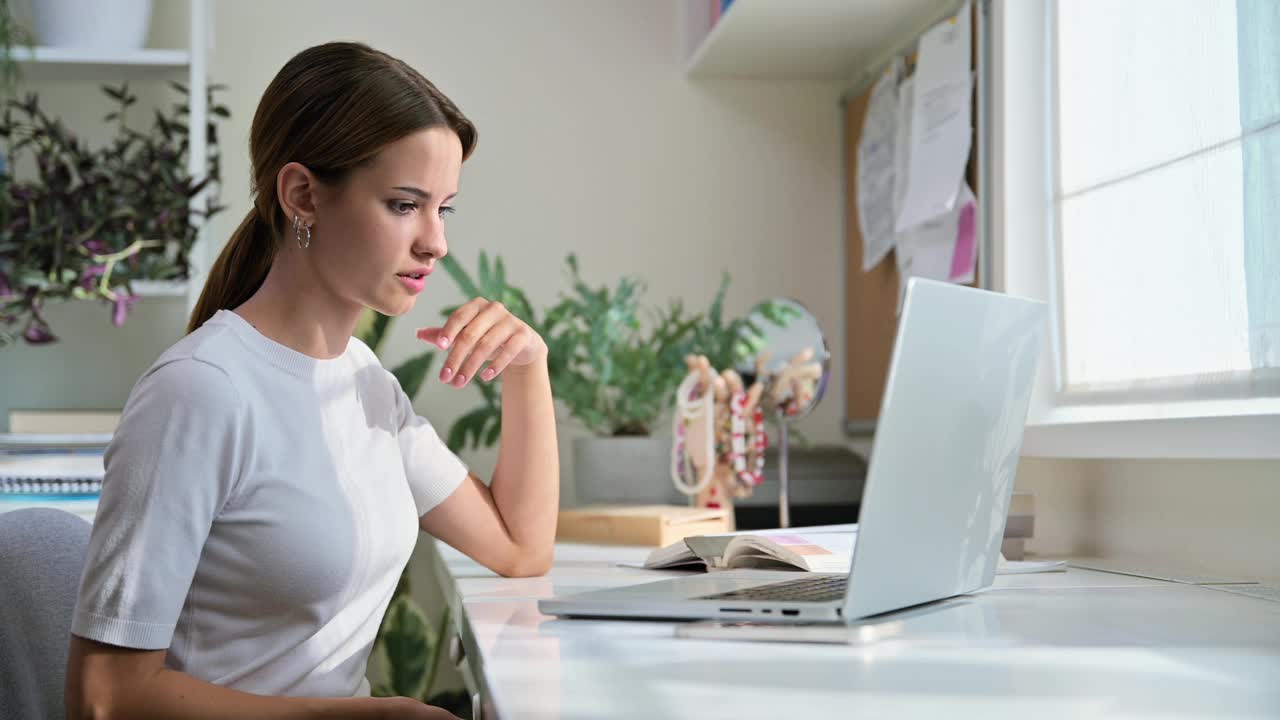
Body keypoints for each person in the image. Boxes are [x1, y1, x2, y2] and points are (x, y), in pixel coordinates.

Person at [65, 41, 558, 719]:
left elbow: (519, 548)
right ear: (302, 195)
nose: (435, 243)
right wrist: (369, 715)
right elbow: (103, 698)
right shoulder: (201, 392)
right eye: (404, 204)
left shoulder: (364, 387)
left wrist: (529, 368)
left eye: (443, 209)